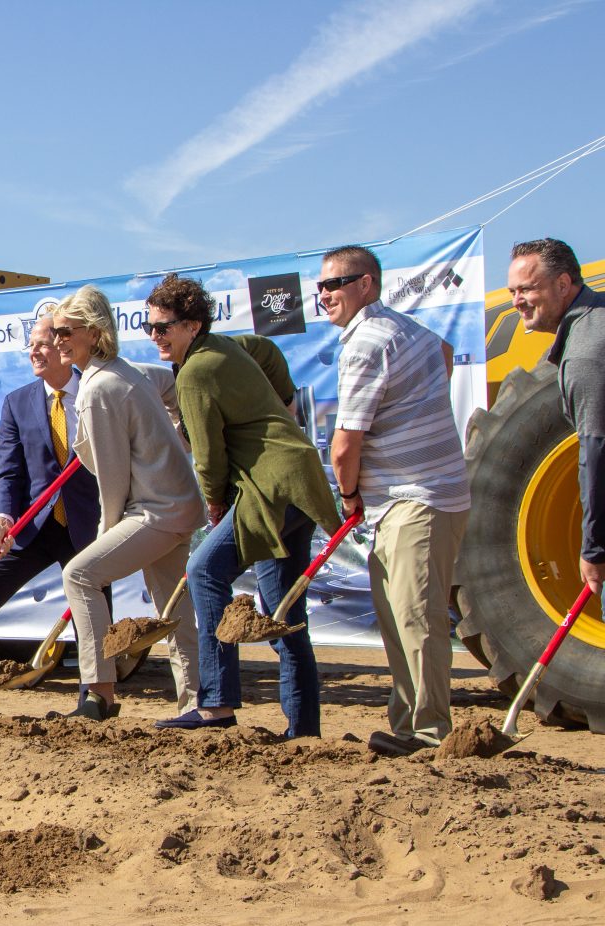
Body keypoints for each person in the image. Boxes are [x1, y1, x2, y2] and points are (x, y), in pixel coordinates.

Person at [146, 274, 341, 737]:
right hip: (297, 482)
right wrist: (284, 401)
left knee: (203, 570)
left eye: (164, 327)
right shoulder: (229, 347)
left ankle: (215, 705)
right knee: (282, 615)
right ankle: (304, 730)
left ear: (192, 326)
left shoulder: (194, 372)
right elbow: (268, 352)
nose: (155, 336)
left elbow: (209, 457)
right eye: (150, 328)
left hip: (269, 488)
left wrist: (214, 504)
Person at [321, 245, 471, 756]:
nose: (325, 294)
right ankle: (408, 725)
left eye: (335, 283)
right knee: (400, 616)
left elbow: (345, 446)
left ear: (367, 285)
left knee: (415, 620)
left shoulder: (366, 342)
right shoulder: (403, 330)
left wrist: (349, 497)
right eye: (320, 286)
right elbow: (445, 354)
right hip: (416, 496)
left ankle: (430, 734)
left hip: (417, 497)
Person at [49, 286, 206, 721]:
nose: (58, 338)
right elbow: (174, 385)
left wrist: (105, 539)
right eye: (56, 331)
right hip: (174, 506)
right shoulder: (128, 372)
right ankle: (197, 703)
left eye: (66, 331)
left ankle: (99, 693)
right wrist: (178, 441)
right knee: (174, 608)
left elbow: (112, 480)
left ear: (94, 334)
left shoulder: (100, 389)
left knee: (80, 575)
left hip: (155, 511)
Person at [0, 316, 104, 711]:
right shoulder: (17, 402)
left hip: (89, 524)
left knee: (95, 607)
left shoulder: (97, 391)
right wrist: (4, 516)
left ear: (66, 346)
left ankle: (95, 699)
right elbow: (10, 472)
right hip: (36, 526)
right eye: (30, 345)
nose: (34, 351)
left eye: (43, 343)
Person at [508, 238, 605, 596]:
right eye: (512, 291)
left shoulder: (584, 355)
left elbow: (597, 454)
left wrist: (594, 550)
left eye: (526, 289)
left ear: (563, 285)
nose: (517, 301)